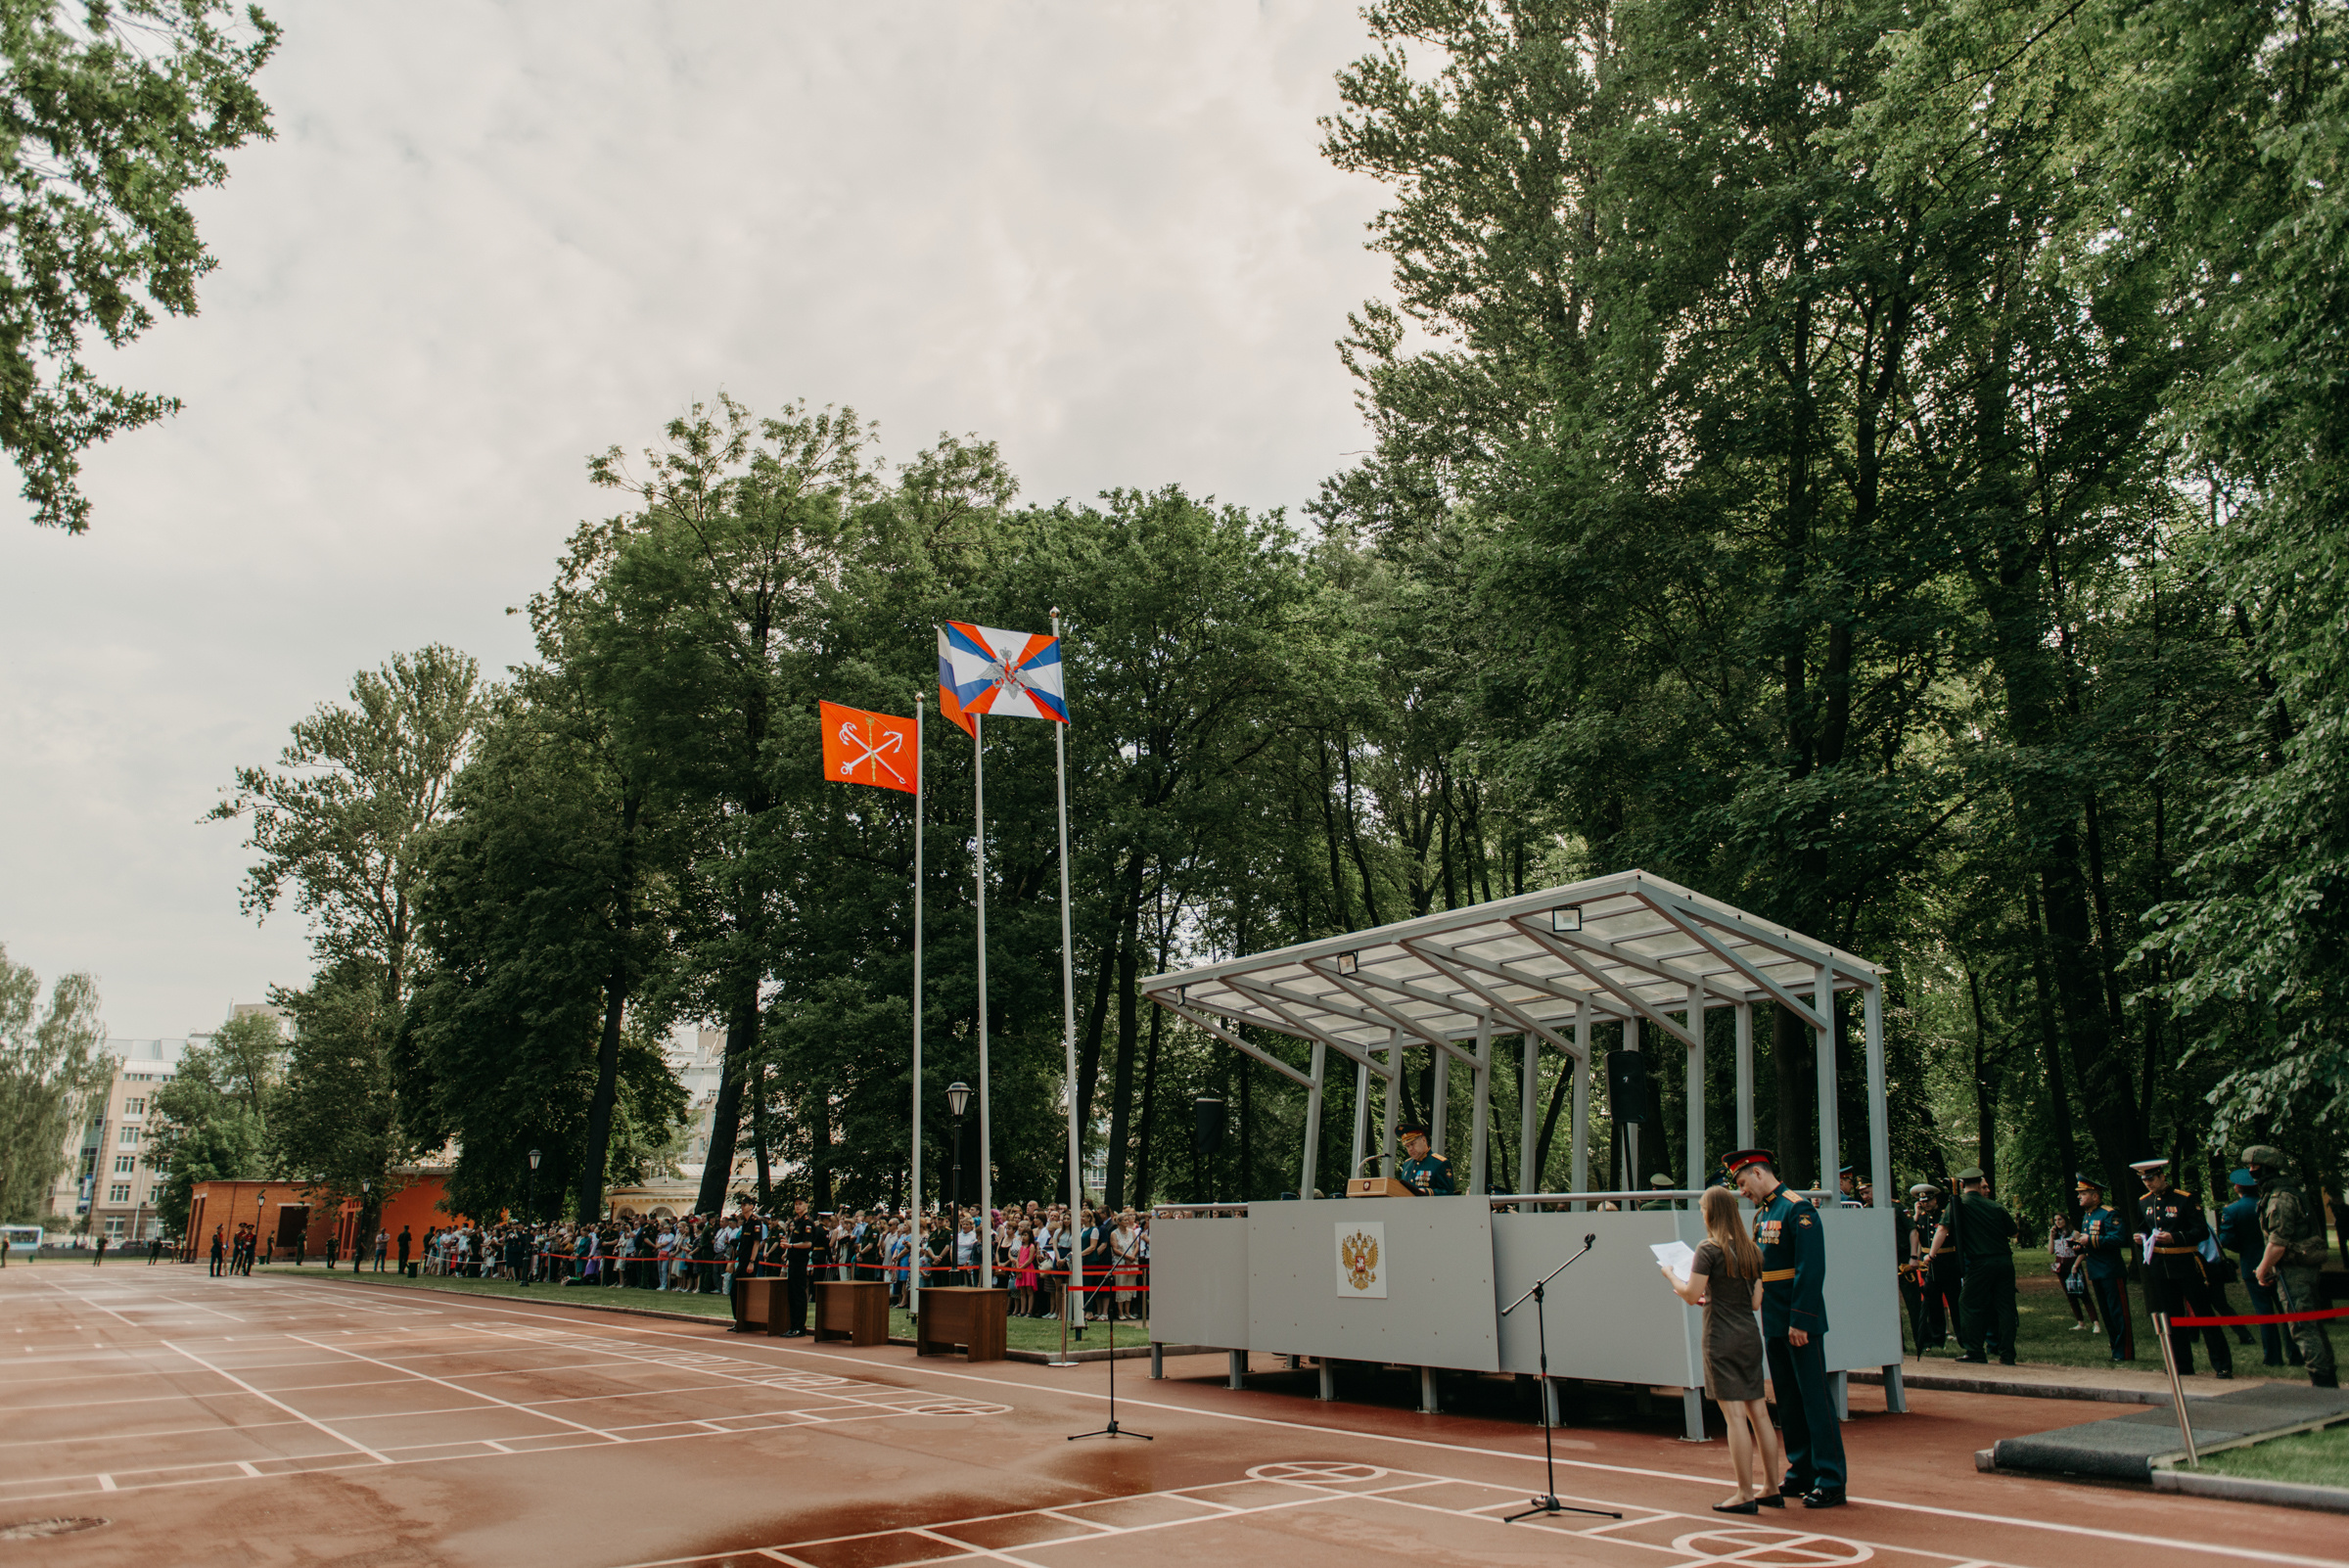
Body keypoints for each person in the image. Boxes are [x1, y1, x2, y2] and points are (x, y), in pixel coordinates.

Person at [1726, 1148, 1845, 1508]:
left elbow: (1811, 1269)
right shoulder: (1763, 1214)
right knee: (1789, 1402)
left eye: (1743, 1183)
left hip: (1797, 1320)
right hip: (1774, 1319)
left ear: (1758, 1173)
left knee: (1814, 1400)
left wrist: (1801, 1319)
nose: (1742, 1191)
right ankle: (1801, 1470)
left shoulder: (1798, 1209)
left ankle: (1830, 1479)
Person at [1661, 1184, 1782, 1514]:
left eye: (1703, 1209)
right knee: (1759, 1413)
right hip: (1748, 1334)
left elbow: (1690, 1294)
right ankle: (1772, 1487)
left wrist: (1670, 1275)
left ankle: (1744, 1493)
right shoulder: (1752, 1250)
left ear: (1711, 1213)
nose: (1702, 1214)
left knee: (1734, 1417)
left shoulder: (1708, 1249)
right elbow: (1755, 1302)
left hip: (1720, 1336)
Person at [2129, 1157, 2234, 1380]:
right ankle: (2181, 1363)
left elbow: (2201, 1231)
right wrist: (2141, 1238)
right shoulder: (2144, 1202)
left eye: (2151, 1178)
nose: (2148, 1183)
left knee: (2203, 1313)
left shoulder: (2184, 1199)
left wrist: (2175, 1237)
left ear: (2162, 1176)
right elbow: (2144, 1228)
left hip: (2185, 1262)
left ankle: (2222, 1364)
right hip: (2160, 1266)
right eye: (2144, 1180)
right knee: (2171, 1316)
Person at [2243, 1144, 2338, 1389]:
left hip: (2295, 1272)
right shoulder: (2284, 1192)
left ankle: (2323, 1385)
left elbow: (2278, 1243)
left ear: (2268, 1168)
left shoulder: (2281, 1198)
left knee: (2303, 1327)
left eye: (2255, 1166)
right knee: (2309, 1325)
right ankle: (2327, 1383)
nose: (2251, 1170)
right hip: (2295, 1271)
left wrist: (2262, 1269)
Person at [1931, 1168, 2017, 1364]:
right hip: (2004, 1261)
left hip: (1980, 1263)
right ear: (1979, 1184)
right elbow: (2013, 1233)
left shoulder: (1958, 1204)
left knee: (1968, 1304)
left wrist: (1931, 1255)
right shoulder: (1995, 1206)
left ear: (1962, 1185)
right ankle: (2007, 1353)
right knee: (2005, 1308)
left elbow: (1942, 1229)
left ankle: (1975, 1350)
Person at [2220, 1167, 2300, 1369]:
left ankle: (2272, 1357)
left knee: (2264, 1313)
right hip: (2278, 1262)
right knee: (2286, 1310)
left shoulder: (2232, 1210)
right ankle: (2295, 1354)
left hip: (2251, 1263)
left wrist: (2243, 1249)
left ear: (2237, 1188)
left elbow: (2227, 1240)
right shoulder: (2271, 1204)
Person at [2073, 1176, 2134, 1361]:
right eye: (2079, 1194)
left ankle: (2125, 1352)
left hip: (2111, 1270)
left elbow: (2118, 1239)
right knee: (2107, 1313)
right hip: (2096, 1270)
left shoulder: (2109, 1213)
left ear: (2095, 1196)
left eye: (2083, 1193)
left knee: (2118, 1312)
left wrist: (2090, 1240)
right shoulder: (2088, 1215)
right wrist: (2081, 1246)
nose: (2079, 1197)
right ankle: (2116, 1350)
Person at [2050, 1212, 2097, 1332]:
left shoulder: (2074, 1233)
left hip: (2073, 1264)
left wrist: (2075, 1266)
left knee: (2083, 1293)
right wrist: (2051, 1236)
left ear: (2066, 1220)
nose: (2057, 1222)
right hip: (2061, 1266)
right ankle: (2080, 1322)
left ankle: (2095, 1323)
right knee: (2070, 1295)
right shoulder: (2056, 1235)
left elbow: (2083, 1252)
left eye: (2060, 1219)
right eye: (2055, 1220)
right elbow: (2050, 1251)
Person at [783, 1199, 817, 1336]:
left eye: (800, 1204)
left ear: (807, 1205)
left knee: (798, 1294)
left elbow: (808, 1243)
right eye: (796, 1204)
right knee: (792, 1293)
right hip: (793, 1261)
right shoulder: (798, 1222)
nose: (797, 1206)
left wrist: (790, 1246)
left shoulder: (807, 1222)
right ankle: (793, 1326)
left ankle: (799, 1327)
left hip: (800, 1261)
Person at [1397, 1124, 1456, 1196]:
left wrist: (1426, 1192)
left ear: (1424, 1140)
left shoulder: (1440, 1163)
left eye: (1412, 1144)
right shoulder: (1407, 1164)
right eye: (1407, 1146)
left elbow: (1448, 1192)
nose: (1410, 1149)